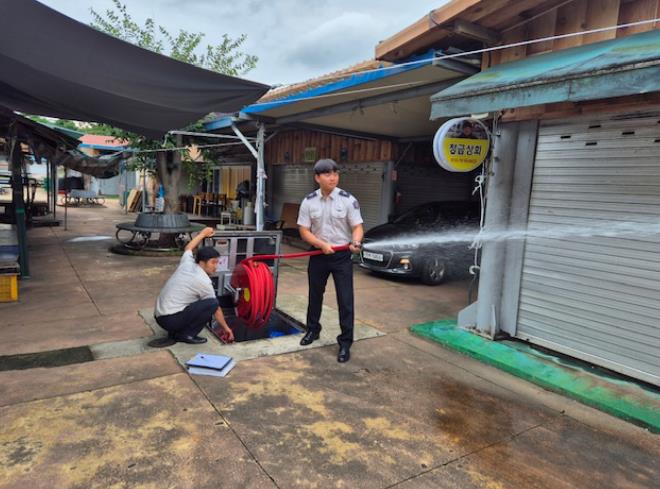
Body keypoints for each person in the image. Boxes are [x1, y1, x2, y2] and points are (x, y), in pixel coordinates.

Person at [297, 159, 364, 363]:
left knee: (345, 299)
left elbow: (357, 226)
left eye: (335, 173)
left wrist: (356, 241)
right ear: (317, 178)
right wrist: (320, 244)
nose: (333, 177)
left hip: (341, 256)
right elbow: (304, 230)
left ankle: (345, 342)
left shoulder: (348, 200)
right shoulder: (309, 201)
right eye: (327, 174)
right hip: (318, 254)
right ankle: (312, 330)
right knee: (315, 295)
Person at [154, 227, 234, 344]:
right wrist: (227, 329)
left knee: (199, 300)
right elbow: (216, 308)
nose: (216, 267)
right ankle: (187, 335)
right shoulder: (202, 280)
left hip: (160, 316)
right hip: (169, 320)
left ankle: (177, 331)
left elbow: (188, 248)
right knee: (212, 303)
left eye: (217, 262)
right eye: (213, 262)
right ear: (202, 262)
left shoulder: (188, 263)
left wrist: (203, 234)